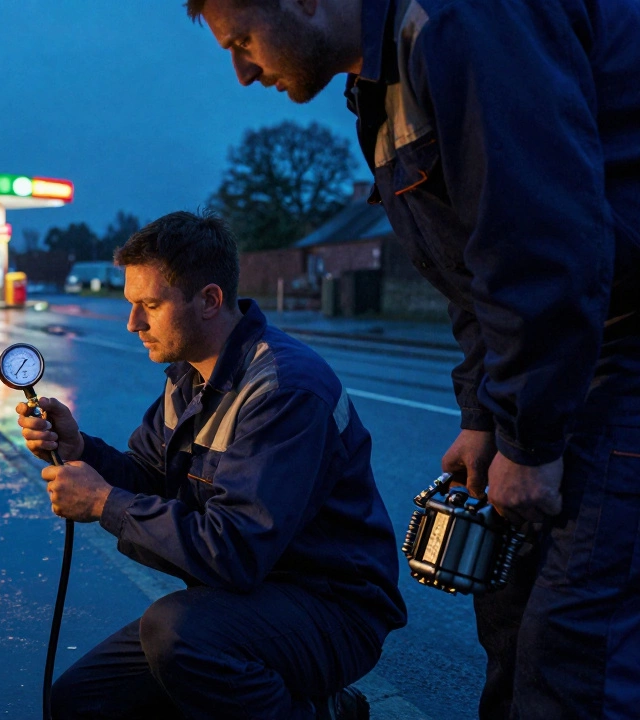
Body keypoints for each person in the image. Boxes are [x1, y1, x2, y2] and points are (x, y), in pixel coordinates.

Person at [183, 0, 640, 716]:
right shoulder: (380, 88)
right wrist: (484, 417)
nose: (242, 72)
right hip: (573, 351)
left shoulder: (463, 22)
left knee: (576, 644)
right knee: (511, 620)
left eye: (242, 40)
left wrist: (529, 437)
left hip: (615, 347)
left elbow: (544, 241)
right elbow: (470, 275)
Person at [16, 211, 406, 720]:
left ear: (209, 300)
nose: (133, 323)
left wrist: (103, 502)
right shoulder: (189, 377)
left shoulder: (283, 389)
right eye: (131, 304)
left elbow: (235, 551)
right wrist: (79, 449)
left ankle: (324, 713)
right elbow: (152, 478)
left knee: (178, 634)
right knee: (80, 700)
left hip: (330, 607)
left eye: (149, 305)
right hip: (248, 598)